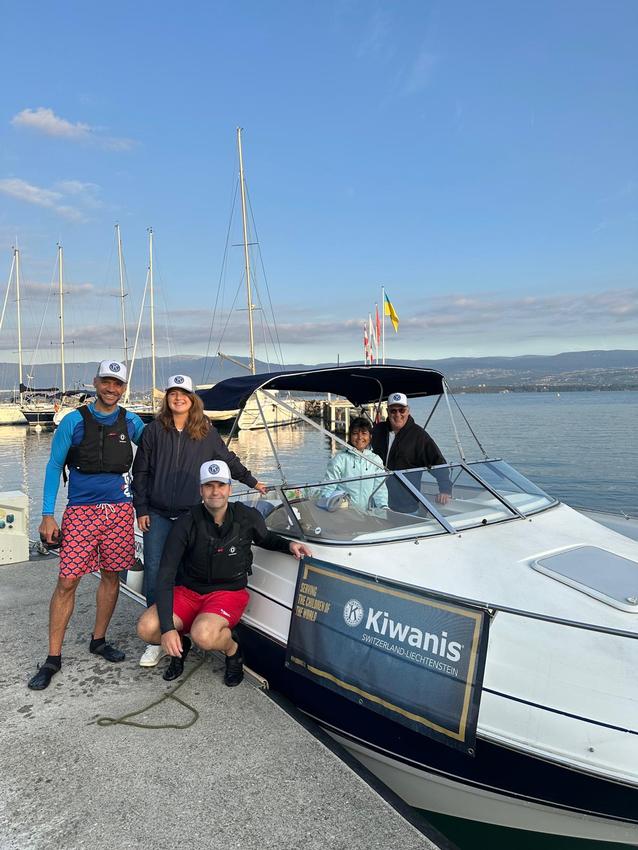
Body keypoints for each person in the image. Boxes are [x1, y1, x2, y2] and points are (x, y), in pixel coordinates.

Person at [132, 374, 267, 668]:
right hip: (156, 513)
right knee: (156, 571)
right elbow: (140, 472)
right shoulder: (153, 431)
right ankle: (160, 638)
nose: (178, 398)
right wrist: (141, 508)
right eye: (173, 393)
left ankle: (184, 631)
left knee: (185, 574)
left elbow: (228, 459)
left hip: (190, 515)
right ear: (167, 398)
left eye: (184, 394)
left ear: (193, 399)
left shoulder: (205, 431)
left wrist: (252, 481)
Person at [137, 460, 312, 686]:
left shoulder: (246, 516)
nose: (215, 491)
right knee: (147, 628)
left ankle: (233, 650)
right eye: (209, 486)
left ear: (230, 488)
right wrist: (168, 630)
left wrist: (289, 545)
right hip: (189, 592)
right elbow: (166, 574)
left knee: (204, 635)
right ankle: (181, 644)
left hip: (228, 593)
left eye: (221, 485)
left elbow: (266, 538)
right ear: (201, 490)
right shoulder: (186, 523)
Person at [28, 360, 145, 691]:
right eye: (106, 381)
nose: (111, 388)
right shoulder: (73, 421)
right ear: (95, 382)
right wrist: (47, 514)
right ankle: (53, 658)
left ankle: (99, 640)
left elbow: (161, 447)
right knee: (67, 581)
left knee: (111, 576)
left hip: (120, 511)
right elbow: (54, 466)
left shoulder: (132, 422)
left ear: (124, 388)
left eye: (117, 384)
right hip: (81, 512)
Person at [371, 392, 452, 512]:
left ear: (408, 411)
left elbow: (437, 462)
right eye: (393, 411)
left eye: (402, 410)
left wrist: (445, 489)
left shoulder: (419, 436)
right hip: (377, 500)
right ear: (387, 411)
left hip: (406, 504)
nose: (398, 414)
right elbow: (360, 450)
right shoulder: (377, 430)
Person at [320, 417, 388, 510]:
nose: (360, 437)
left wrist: (384, 508)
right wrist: (327, 506)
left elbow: (380, 490)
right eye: (355, 433)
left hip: (366, 514)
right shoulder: (339, 459)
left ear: (370, 436)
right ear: (350, 436)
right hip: (343, 513)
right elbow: (328, 489)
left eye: (364, 433)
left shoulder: (376, 460)